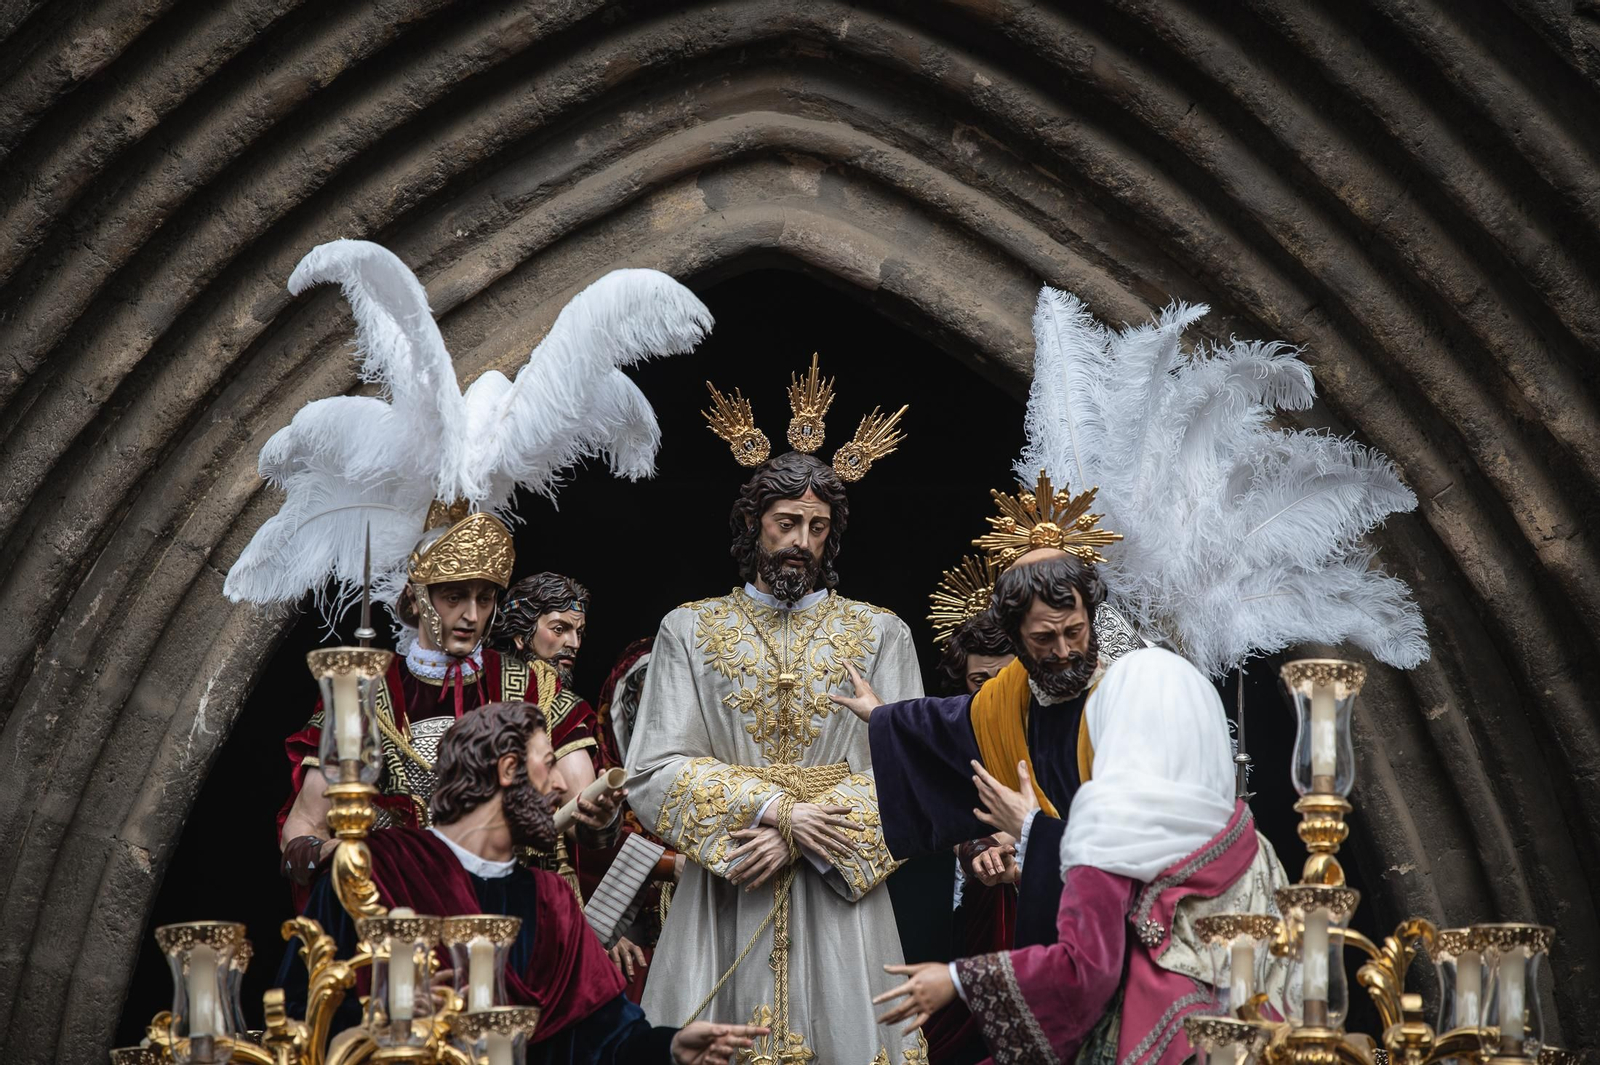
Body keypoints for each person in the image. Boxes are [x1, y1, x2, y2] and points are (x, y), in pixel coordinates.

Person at [626, 359, 924, 1065]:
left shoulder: (882, 632)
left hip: (837, 893)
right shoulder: (690, 629)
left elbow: (908, 774)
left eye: (818, 528)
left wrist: (799, 836)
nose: (801, 542)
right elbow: (653, 770)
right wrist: (772, 810)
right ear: (753, 524)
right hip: (730, 878)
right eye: (786, 522)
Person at [282, 701, 766, 1065]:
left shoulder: (549, 899)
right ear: (509, 770)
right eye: (549, 762)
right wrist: (378, 1023)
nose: (561, 784)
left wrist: (669, 1047)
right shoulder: (379, 869)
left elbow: (605, 1036)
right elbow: (300, 1009)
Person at [872, 648, 1290, 1065]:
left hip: (1147, 1043)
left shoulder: (1106, 833)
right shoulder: (1251, 842)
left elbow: (1083, 971)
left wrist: (956, 980)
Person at [277, 506, 563, 902]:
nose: (471, 615)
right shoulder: (360, 693)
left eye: (484, 598)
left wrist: (596, 817)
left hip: (506, 905)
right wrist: (339, 857)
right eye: (453, 597)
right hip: (399, 909)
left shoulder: (532, 685)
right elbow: (305, 823)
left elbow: (578, 809)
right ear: (416, 597)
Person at [834, 548, 1110, 948]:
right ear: (1018, 638)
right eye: (1044, 638)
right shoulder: (1010, 698)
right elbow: (945, 730)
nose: (1064, 653)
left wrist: (1030, 830)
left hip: (1110, 910)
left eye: (1074, 632)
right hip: (1042, 898)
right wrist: (881, 717)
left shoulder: (1124, 695)